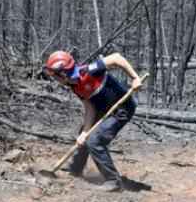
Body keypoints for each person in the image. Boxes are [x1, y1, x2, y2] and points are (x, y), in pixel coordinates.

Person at [44, 50, 143, 192]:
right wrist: (84, 132)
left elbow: (116, 58)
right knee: (83, 137)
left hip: (122, 109)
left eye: (54, 75)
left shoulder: (89, 71)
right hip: (101, 110)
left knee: (95, 141)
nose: (54, 79)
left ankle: (113, 181)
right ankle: (76, 170)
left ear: (63, 73)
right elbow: (89, 107)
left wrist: (135, 78)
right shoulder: (74, 85)